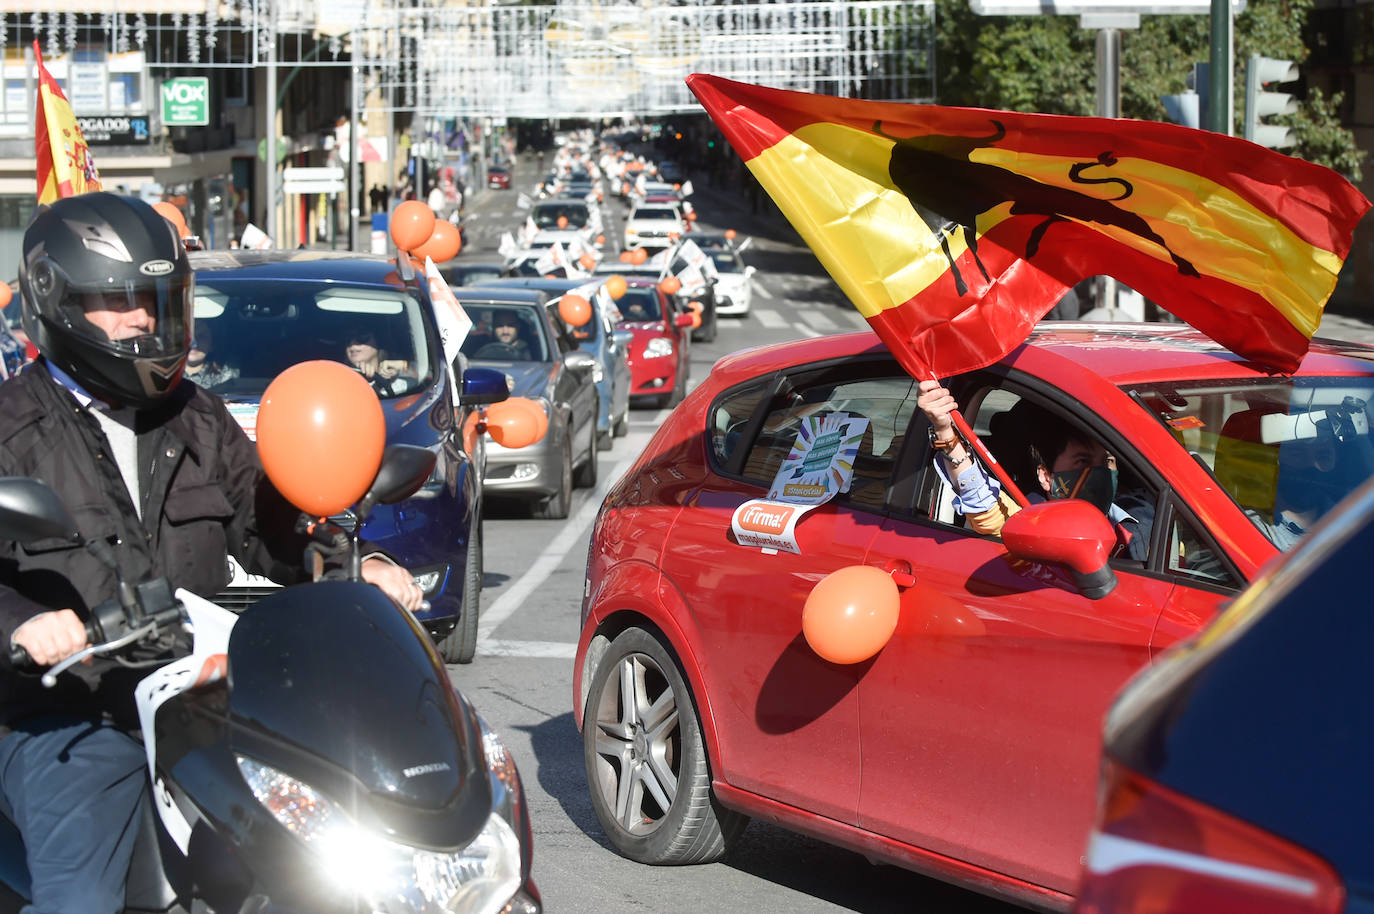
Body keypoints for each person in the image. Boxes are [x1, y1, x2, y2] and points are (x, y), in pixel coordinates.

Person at [0, 192, 425, 914]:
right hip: (70, 717)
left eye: (157, 301)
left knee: (313, 860)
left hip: (202, 698)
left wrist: (345, 557)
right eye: (119, 301)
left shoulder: (193, 415)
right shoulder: (13, 427)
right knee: (81, 901)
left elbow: (264, 522)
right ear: (58, 301)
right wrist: (21, 623)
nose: (143, 320)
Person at [918, 379, 1151, 560]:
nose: (1099, 472)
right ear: (1046, 476)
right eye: (1082, 461)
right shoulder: (1025, 523)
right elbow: (979, 499)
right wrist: (945, 431)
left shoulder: (1148, 517)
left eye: (1107, 461)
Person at [345, 330, 413, 395]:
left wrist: (404, 366)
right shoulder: (342, 383)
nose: (352, 344)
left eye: (361, 337)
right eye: (347, 339)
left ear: (378, 342)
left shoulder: (402, 383)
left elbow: (422, 375)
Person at [183, 320, 238, 389]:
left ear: (212, 345)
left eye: (201, 336)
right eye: (188, 336)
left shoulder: (226, 376)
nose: (194, 342)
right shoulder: (167, 376)